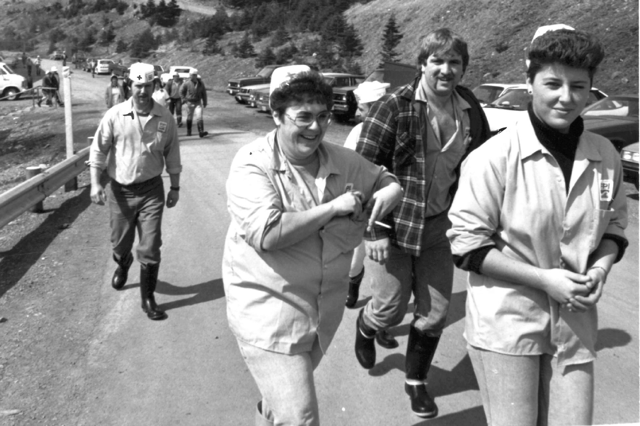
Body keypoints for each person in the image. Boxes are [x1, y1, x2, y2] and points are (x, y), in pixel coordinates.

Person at [447, 26, 628, 426]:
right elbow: (467, 247)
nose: (566, 97)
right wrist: (545, 280)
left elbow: (614, 226)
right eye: (552, 83)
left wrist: (600, 267)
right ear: (530, 82)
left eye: (579, 86)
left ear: (591, 89)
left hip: (575, 323)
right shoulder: (493, 156)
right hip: (507, 324)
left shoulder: (604, 156)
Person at [223, 66, 403, 426]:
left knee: (279, 407)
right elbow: (268, 232)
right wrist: (334, 208)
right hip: (268, 313)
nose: (316, 127)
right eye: (303, 117)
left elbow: (383, 178)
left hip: (321, 314)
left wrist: (391, 190)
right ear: (276, 115)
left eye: (322, 116)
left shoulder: (342, 160)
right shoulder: (252, 165)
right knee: (300, 416)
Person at [353, 28, 491, 419]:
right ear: (422, 65)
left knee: (436, 311)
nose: (446, 70)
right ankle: (366, 327)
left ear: (463, 69)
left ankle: (416, 382)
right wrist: (372, 229)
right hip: (393, 224)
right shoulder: (394, 107)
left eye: (455, 63)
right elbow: (361, 169)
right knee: (390, 308)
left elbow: (481, 168)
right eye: (438, 61)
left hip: (439, 227)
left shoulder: (470, 109)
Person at [89, 62, 182, 321]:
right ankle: (123, 261)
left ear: (154, 86)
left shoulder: (165, 118)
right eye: (138, 85)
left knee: (151, 246)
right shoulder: (115, 115)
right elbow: (98, 150)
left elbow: (172, 152)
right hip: (120, 192)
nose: (142, 91)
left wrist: (175, 186)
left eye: (147, 85)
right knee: (120, 243)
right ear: (130, 84)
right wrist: (96, 183)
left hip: (152, 190)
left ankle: (148, 298)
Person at [180, 69, 208, 138]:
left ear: (195, 76)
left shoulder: (201, 83)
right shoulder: (186, 83)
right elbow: (181, 91)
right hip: (189, 102)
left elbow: (204, 93)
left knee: (199, 117)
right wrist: (184, 99)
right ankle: (189, 131)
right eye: (191, 75)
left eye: (193, 75)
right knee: (189, 117)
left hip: (198, 102)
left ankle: (201, 132)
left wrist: (205, 101)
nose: (191, 77)